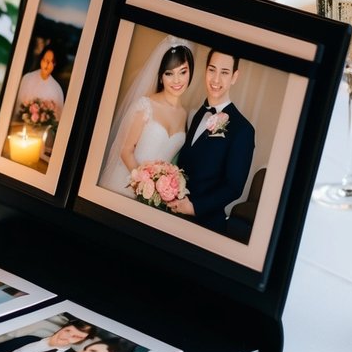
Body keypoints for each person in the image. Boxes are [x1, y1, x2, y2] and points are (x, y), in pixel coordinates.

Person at [170, 47, 255, 234]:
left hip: (205, 226)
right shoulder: (198, 113)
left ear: (234, 77)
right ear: (205, 70)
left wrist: (194, 207)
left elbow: (234, 187)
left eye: (224, 72)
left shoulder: (243, 130)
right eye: (212, 69)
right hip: (175, 215)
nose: (216, 80)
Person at [100, 37, 194, 196]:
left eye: (183, 72)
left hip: (157, 194)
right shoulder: (145, 106)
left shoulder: (186, 115)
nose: (177, 80)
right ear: (160, 77)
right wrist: (145, 187)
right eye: (169, 73)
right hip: (125, 184)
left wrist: (163, 190)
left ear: (190, 70)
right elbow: (126, 151)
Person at [15, 46, 64, 122]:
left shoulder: (57, 89)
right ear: (41, 60)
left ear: (54, 64)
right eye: (45, 60)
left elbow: (57, 119)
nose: (47, 64)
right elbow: (17, 107)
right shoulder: (27, 78)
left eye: (50, 61)